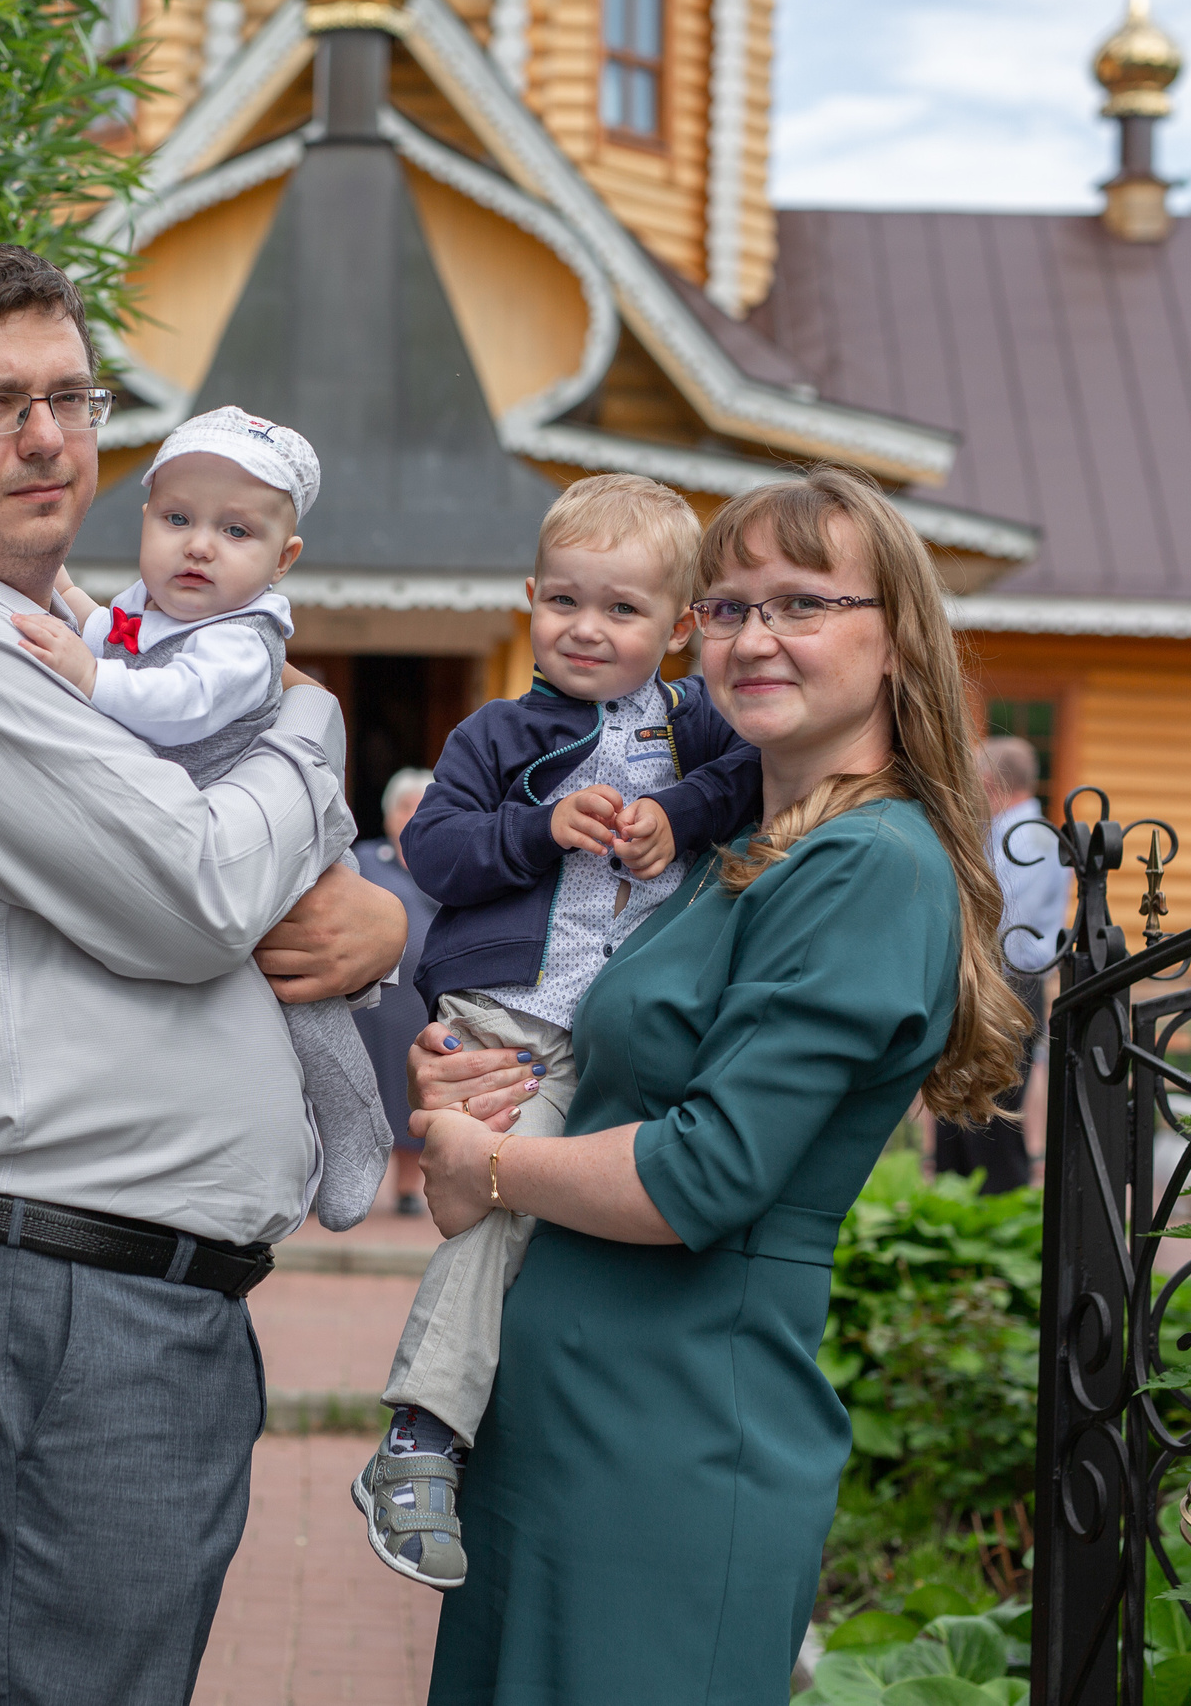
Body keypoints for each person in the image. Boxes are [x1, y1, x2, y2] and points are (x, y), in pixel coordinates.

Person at [0, 241, 406, 1705]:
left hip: (100, 1292)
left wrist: (375, 918)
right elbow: (194, 894)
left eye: (71, 396)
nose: (48, 438)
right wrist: (316, 732)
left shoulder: (85, 636)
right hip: (56, 1295)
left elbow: (253, 877)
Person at [404, 465, 1027, 1702]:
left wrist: (483, 1158)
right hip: (558, 1421)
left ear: (895, 635)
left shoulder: (866, 866)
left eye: (800, 604)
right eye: (730, 607)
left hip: (671, 1434)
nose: (753, 637)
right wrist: (473, 1071)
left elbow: (704, 1173)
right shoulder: (725, 851)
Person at [354, 474, 764, 1592]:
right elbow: (434, 853)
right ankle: (421, 1436)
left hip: (628, 1025)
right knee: (503, 1195)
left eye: (623, 609)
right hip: (513, 1021)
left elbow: (753, 782)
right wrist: (539, 827)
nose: (588, 628)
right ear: (530, 598)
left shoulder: (701, 727)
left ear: (678, 627)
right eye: (566, 601)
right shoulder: (499, 731)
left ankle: (522, 1444)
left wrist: (675, 815)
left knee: (586, 1223)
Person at [13, 405, 391, 1229]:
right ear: (146, 517)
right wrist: (71, 600)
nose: (199, 546)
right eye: (178, 518)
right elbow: (112, 633)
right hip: (204, 833)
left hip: (281, 847)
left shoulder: (242, 637)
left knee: (305, 1002)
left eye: (235, 531)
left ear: (282, 559)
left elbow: (175, 706)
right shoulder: (149, 606)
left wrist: (88, 677)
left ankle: (358, 1125)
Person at [930, 735, 1066, 1193]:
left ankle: (1000, 1213)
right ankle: (964, 1213)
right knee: (963, 1107)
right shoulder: (1011, 830)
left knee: (991, 1109)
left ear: (988, 783)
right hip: (992, 979)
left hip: (1006, 983)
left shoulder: (1027, 837)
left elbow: (1002, 919)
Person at [356, 768, 440, 1214]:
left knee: (409, 1091)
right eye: (405, 806)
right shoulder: (363, 859)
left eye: (423, 806)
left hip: (416, 1004)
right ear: (389, 817)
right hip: (364, 1007)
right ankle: (336, 1187)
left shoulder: (451, 862)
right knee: (352, 1091)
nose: (413, 816)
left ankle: (408, 1189)